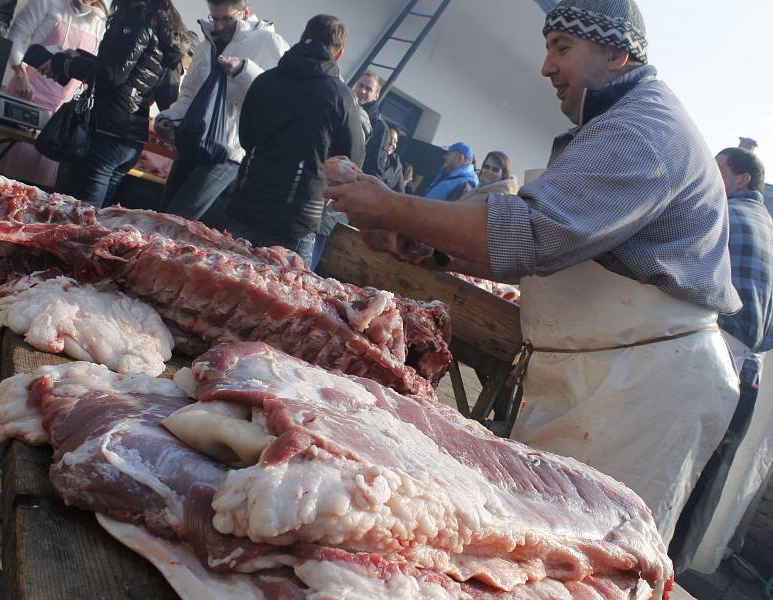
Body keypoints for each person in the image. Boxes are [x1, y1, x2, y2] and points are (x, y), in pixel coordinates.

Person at [325, 0, 740, 545]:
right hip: (603, 373)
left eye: (562, 48)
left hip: (643, 388)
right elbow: (558, 254)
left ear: (618, 52)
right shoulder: (618, 121)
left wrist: (393, 206)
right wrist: (433, 251)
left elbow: (535, 231)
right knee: (527, 545)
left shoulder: (644, 130)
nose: (547, 67)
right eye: (548, 47)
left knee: (580, 559)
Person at [674, 148, 773, 573]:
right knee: (700, 490)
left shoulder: (726, 214)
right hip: (748, 375)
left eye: (717, 170)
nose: (708, 177)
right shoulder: (767, 226)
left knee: (667, 475)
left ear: (742, 180)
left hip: (717, 359)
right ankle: (667, 573)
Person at [228, 14, 365, 266]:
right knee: (285, 296)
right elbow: (351, 160)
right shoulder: (341, 96)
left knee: (221, 279)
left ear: (302, 38)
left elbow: (246, 137)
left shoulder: (266, 80)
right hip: (298, 216)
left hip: (248, 201)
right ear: (339, 54)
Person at [154, 0, 288, 221]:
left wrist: (243, 71)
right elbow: (189, 94)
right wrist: (170, 117)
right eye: (214, 18)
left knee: (177, 219)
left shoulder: (269, 42)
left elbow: (277, 99)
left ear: (245, 12)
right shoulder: (206, 45)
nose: (218, 26)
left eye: (226, 19)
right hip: (194, 141)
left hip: (229, 152)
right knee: (163, 215)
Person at [47, 0, 187, 208]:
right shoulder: (170, 23)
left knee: (77, 218)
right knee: (92, 217)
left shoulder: (137, 15)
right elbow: (164, 92)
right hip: (132, 137)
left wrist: (65, 65)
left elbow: (112, 73)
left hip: (106, 129)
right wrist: (82, 58)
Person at [0, 0, 106, 187]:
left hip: (59, 115)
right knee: (4, 177)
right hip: (25, 97)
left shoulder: (100, 22)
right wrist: (20, 73)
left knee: (40, 185)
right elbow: (18, 35)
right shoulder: (47, 2)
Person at [354, 71, 389, 179]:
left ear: (376, 96)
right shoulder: (342, 107)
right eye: (360, 85)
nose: (362, 91)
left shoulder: (380, 128)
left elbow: (375, 169)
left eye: (368, 89)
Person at [381, 128, 405, 193]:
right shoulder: (368, 153)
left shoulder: (397, 165)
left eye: (395, 141)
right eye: (389, 138)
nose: (392, 143)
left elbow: (400, 193)